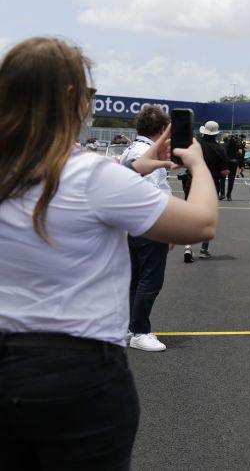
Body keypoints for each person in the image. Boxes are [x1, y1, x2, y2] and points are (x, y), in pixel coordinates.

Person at [0, 37, 218, 468]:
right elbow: (202, 223)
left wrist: (138, 166)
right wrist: (197, 165)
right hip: (78, 375)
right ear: (70, 99)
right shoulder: (89, 176)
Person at [120, 107, 175, 353]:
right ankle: (140, 331)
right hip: (149, 224)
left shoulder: (132, 149)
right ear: (162, 130)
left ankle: (131, 328)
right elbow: (153, 194)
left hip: (131, 223)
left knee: (136, 279)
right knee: (150, 281)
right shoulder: (146, 153)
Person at [183, 121, 228, 262]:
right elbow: (224, 172)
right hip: (210, 185)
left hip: (192, 182)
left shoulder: (195, 145)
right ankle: (204, 249)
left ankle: (188, 246)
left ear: (204, 131)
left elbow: (185, 161)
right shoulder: (220, 149)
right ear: (216, 133)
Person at [223, 133, 243, 200]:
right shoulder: (237, 146)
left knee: (222, 179)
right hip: (233, 163)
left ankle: (222, 193)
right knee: (231, 180)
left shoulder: (223, 145)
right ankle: (229, 195)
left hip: (225, 163)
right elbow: (240, 154)